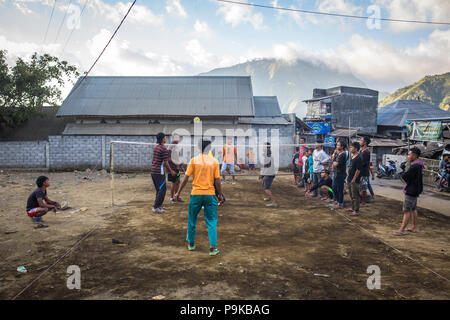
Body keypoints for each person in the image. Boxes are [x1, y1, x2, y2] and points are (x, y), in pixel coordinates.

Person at [174, 139, 223, 256]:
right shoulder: (214, 162)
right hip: (210, 195)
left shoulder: (193, 161)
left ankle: (191, 244)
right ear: (209, 149)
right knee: (211, 221)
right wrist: (220, 194)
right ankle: (212, 247)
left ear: (199, 148)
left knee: (192, 219)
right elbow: (217, 181)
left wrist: (178, 193)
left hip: (196, 194)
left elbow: (185, 179)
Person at [395, 147, 424, 236]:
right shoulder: (420, 164)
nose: (408, 156)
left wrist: (402, 171)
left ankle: (401, 230)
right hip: (416, 189)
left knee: (406, 210)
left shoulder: (414, 166)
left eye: (409, 154)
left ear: (414, 156)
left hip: (411, 190)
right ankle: (414, 227)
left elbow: (405, 177)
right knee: (413, 209)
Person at [151, 132, 176, 214]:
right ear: (162, 139)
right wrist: (171, 170)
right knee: (162, 189)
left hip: (153, 171)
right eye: (165, 137)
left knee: (159, 190)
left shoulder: (156, 147)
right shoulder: (163, 149)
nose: (166, 139)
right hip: (158, 172)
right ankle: (156, 207)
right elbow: (165, 162)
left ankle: (158, 205)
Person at [259, 142, 278, 207]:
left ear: (268, 148)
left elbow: (265, 167)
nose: (263, 148)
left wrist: (261, 176)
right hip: (269, 173)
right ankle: (269, 197)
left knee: (266, 188)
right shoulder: (267, 154)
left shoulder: (268, 156)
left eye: (264, 147)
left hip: (269, 174)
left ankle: (274, 202)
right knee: (265, 186)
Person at [347, 142, 362, 216]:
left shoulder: (359, 157)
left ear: (356, 148)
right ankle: (353, 208)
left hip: (354, 180)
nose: (350, 149)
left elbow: (358, 170)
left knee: (355, 195)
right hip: (349, 178)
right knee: (351, 194)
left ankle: (356, 210)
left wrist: (354, 179)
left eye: (351, 147)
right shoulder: (353, 156)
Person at [168, 135, 184, 204]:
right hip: (172, 168)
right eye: (177, 139)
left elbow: (177, 158)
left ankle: (176, 196)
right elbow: (168, 159)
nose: (178, 140)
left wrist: (181, 167)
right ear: (174, 139)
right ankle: (171, 198)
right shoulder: (170, 147)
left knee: (178, 181)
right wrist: (176, 162)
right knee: (173, 183)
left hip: (176, 168)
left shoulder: (177, 147)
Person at [331, 140, 347, 209]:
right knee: (334, 188)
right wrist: (334, 154)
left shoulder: (343, 155)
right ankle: (338, 201)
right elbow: (333, 160)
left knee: (339, 189)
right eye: (337, 145)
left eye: (338, 145)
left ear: (342, 147)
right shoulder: (338, 154)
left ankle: (340, 203)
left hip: (340, 174)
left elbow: (335, 164)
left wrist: (333, 162)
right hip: (336, 173)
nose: (336, 146)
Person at [359, 136, 371, 206]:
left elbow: (363, 163)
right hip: (360, 172)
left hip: (364, 172)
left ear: (365, 142)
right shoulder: (361, 151)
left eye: (361, 140)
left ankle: (364, 202)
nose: (360, 142)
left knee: (364, 188)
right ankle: (361, 200)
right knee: (361, 187)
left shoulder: (366, 152)